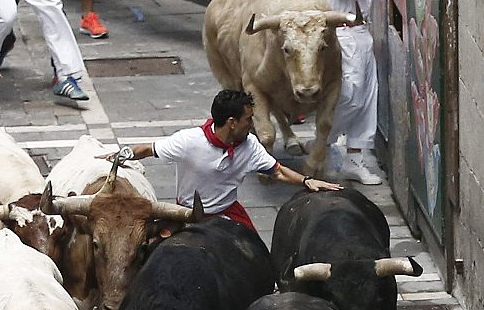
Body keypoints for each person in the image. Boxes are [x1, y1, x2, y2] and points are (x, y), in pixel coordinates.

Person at [107, 90, 341, 232]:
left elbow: (276, 171)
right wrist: (120, 155)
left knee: (257, 260)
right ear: (231, 122)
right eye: (248, 119)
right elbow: (148, 149)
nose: (252, 124)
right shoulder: (189, 140)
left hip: (228, 212)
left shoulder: (249, 145)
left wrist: (306, 181)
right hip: (186, 214)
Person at [308, 0, 383, 185]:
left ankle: (355, 160)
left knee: (366, 97)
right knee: (349, 95)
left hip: (360, 29)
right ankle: (322, 144)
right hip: (339, 31)